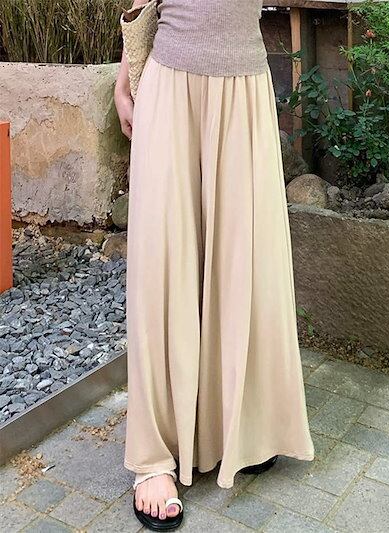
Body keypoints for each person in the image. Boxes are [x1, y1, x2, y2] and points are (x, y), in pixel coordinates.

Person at [114, 0, 315, 530]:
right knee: (164, 265)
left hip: (244, 87)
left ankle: (239, 421)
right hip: (170, 85)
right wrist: (124, 80)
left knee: (246, 261)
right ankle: (154, 456)